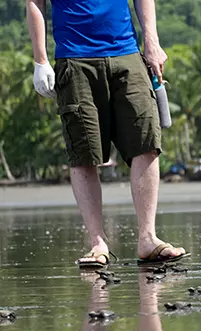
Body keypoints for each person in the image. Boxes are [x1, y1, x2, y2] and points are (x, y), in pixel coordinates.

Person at [26, 0, 189, 267]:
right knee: (84, 153)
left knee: (146, 141)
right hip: (75, 58)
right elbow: (35, 3)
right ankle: (97, 243)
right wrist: (40, 60)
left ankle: (148, 238)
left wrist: (152, 41)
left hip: (127, 52)